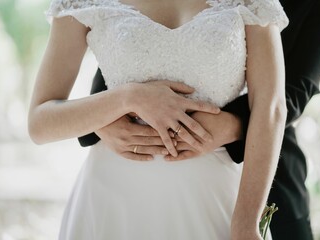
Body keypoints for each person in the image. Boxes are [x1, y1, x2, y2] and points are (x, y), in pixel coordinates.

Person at [28, 0, 289, 239]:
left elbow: (271, 109)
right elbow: (40, 122)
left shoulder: (254, 3)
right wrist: (128, 97)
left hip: (211, 197)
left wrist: (245, 223)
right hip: (110, 198)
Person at [79, 0, 320, 239]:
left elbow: (294, 90)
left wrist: (233, 125)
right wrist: (101, 119)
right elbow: (123, 51)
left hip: (262, 165)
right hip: (125, 172)